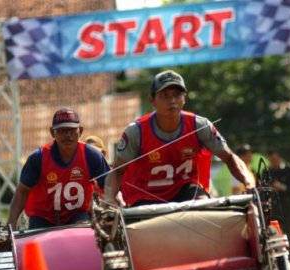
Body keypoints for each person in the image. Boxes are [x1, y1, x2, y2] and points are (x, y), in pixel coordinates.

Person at [104, 70, 253, 206]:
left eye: (177, 94)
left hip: (186, 189)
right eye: (165, 96)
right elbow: (117, 171)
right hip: (145, 195)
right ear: (152, 100)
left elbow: (229, 157)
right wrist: (110, 198)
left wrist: (248, 182)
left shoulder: (200, 125)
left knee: (204, 205)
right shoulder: (136, 131)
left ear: (185, 98)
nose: (172, 100)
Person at [8, 108, 110, 230]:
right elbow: (21, 191)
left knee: (83, 234)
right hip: (42, 217)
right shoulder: (38, 158)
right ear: (52, 132)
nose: (68, 135)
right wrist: (11, 223)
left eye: (72, 130)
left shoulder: (92, 156)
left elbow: (109, 185)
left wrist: (113, 211)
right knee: (38, 242)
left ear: (80, 131)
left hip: (77, 215)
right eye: (62, 130)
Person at [264, 149, 290, 260]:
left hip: (286, 204)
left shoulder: (288, 170)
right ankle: (277, 257)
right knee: (274, 231)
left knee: (288, 230)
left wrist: (282, 187)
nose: (273, 162)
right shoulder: (267, 172)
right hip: (272, 205)